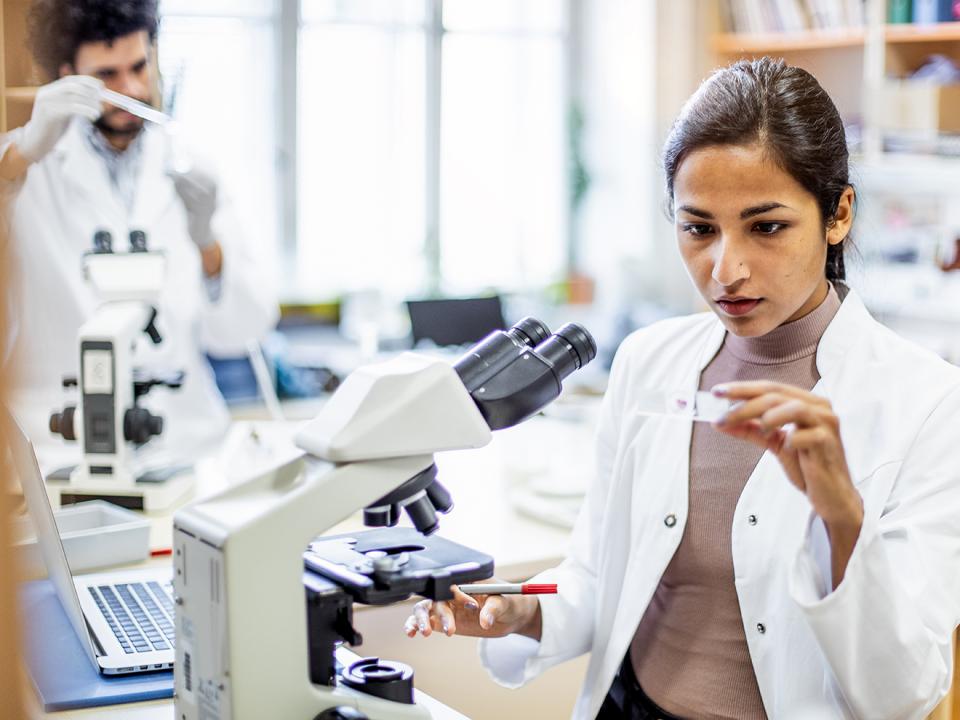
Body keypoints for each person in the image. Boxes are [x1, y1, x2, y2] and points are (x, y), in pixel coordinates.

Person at [405, 58, 960, 719]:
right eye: (698, 228)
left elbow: (907, 695)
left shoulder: (930, 405)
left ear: (838, 214)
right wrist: (520, 613)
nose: (726, 268)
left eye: (767, 226)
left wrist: (843, 517)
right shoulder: (649, 363)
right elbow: (596, 578)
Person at [0, 0, 277, 461]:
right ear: (67, 74)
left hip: (186, 449)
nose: (131, 89)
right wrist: (23, 153)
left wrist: (206, 240)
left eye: (139, 66)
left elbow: (241, 330)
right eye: (107, 75)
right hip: (60, 456)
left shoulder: (190, 169)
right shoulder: (24, 168)